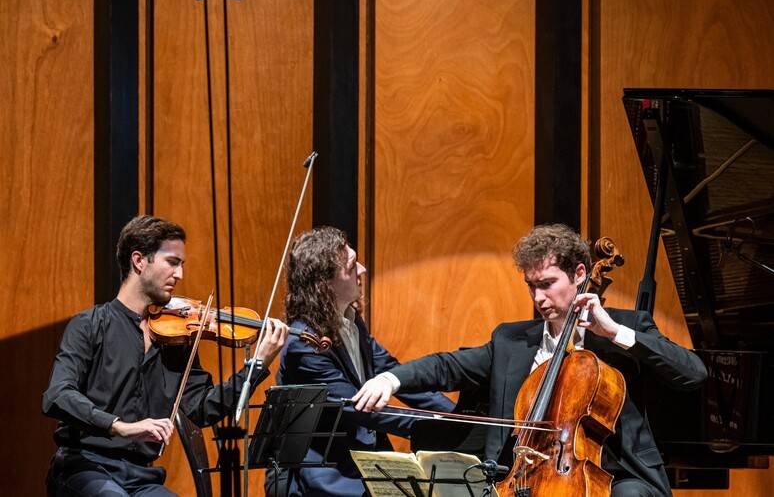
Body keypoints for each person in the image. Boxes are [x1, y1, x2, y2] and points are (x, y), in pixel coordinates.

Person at [352, 223, 708, 497]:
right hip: (526, 477)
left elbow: (693, 374)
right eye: (531, 286)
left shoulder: (626, 327)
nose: (539, 297)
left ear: (581, 275)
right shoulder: (511, 340)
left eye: (548, 284)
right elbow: (448, 366)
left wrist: (614, 332)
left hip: (620, 477)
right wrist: (390, 380)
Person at [43, 215, 289, 496]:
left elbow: (202, 409)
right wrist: (119, 426)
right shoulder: (90, 325)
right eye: (172, 262)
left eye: (181, 265)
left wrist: (257, 365)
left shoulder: (178, 340)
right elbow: (57, 395)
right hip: (85, 467)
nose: (180, 275)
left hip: (141, 477)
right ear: (139, 261)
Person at [266, 226, 455, 496]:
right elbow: (361, 409)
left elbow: (394, 372)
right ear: (325, 284)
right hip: (328, 475)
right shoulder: (304, 346)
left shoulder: (350, 321)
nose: (363, 270)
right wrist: (436, 428)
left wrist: (456, 416)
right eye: (352, 265)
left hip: (362, 459)